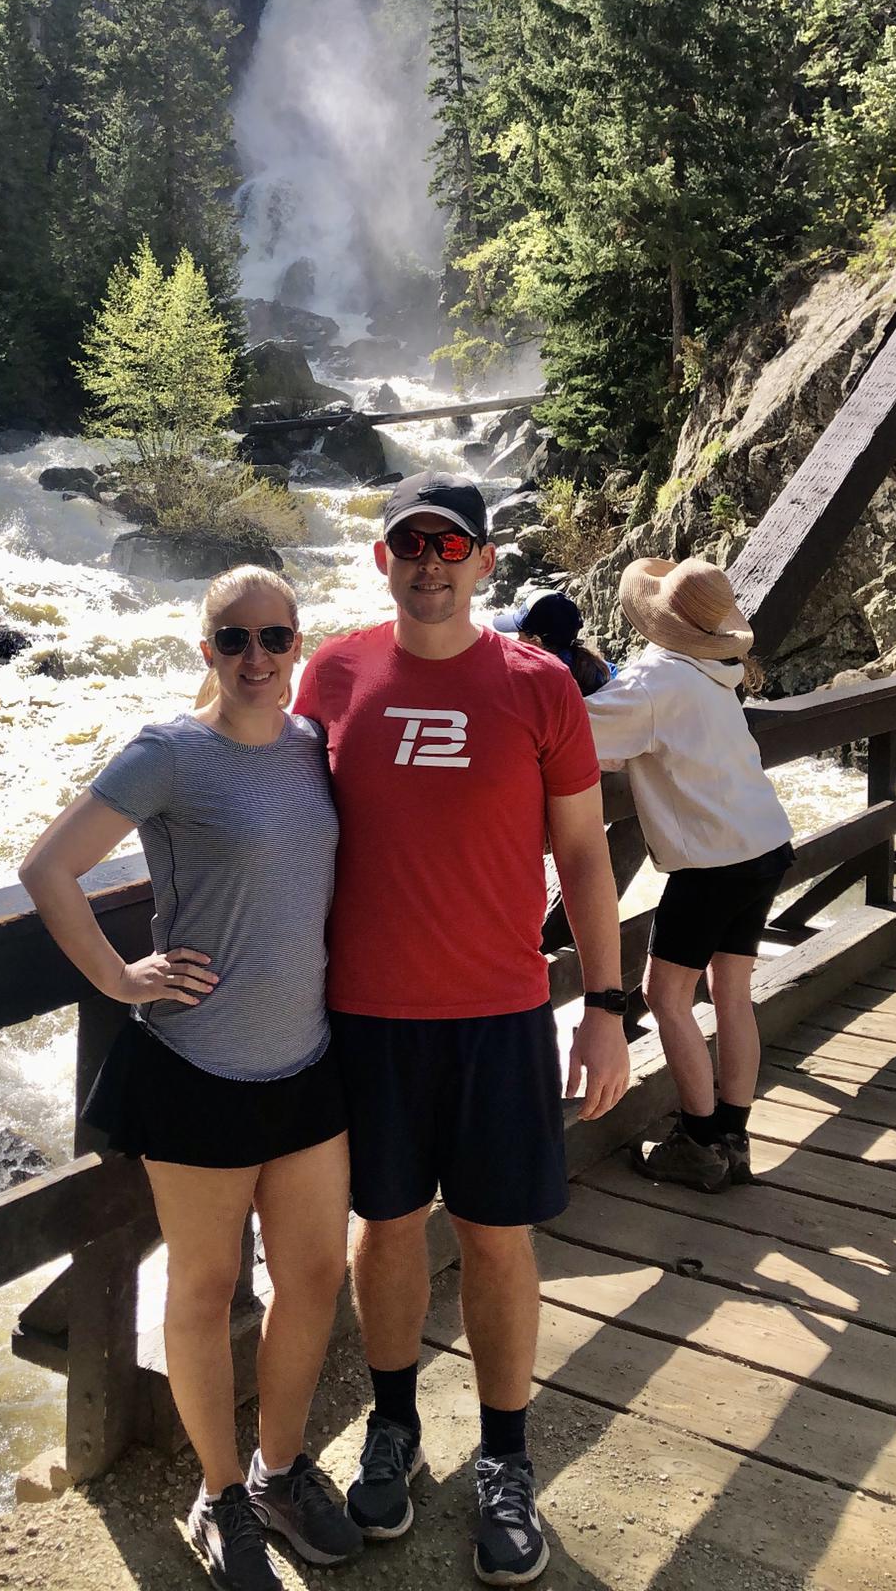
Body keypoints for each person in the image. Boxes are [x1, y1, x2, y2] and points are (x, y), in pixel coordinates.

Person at [294, 472, 631, 1588]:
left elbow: (584, 855)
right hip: (364, 1015)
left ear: (487, 560)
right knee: (385, 1222)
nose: (429, 561)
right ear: (380, 560)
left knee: (496, 1233)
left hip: (501, 1013)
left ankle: (505, 1454)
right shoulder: (329, 673)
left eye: (451, 544)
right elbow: (270, 807)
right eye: (408, 544)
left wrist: (609, 1011)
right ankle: (394, 1424)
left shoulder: (540, 686)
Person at [19, 565, 362, 1591]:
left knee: (313, 1278)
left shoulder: (311, 746)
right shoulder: (172, 751)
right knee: (206, 1291)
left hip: (306, 1062)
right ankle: (220, 1497)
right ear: (203, 646)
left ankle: (280, 1468)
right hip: (198, 1066)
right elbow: (48, 866)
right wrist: (120, 975)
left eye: (275, 637)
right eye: (233, 639)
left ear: (299, 641)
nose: (256, 658)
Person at [584, 556, 794, 1191]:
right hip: (764, 845)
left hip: (712, 863)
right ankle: (734, 1135)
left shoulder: (653, 683)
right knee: (731, 993)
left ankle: (698, 1144)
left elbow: (568, 731)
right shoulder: (716, 673)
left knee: (664, 996)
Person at [493, 591, 614, 697]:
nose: (517, 641)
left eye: (520, 635)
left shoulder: (533, 685)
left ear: (536, 641)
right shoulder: (600, 669)